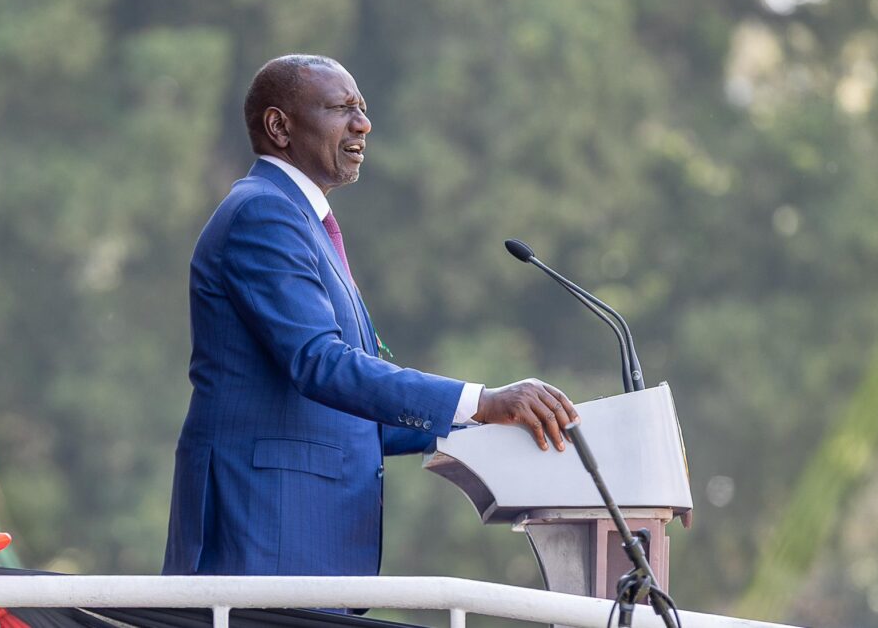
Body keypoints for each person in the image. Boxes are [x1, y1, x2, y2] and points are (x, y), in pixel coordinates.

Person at [162, 54, 578, 577]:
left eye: (362, 108)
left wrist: (492, 423)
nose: (363, 124)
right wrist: (481, 400)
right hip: (263, 539)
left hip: (303, 547)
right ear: (279, 126)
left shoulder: (303, 221)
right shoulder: (262, 213)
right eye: (341, 109)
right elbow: (320, 364)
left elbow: (350, 412)